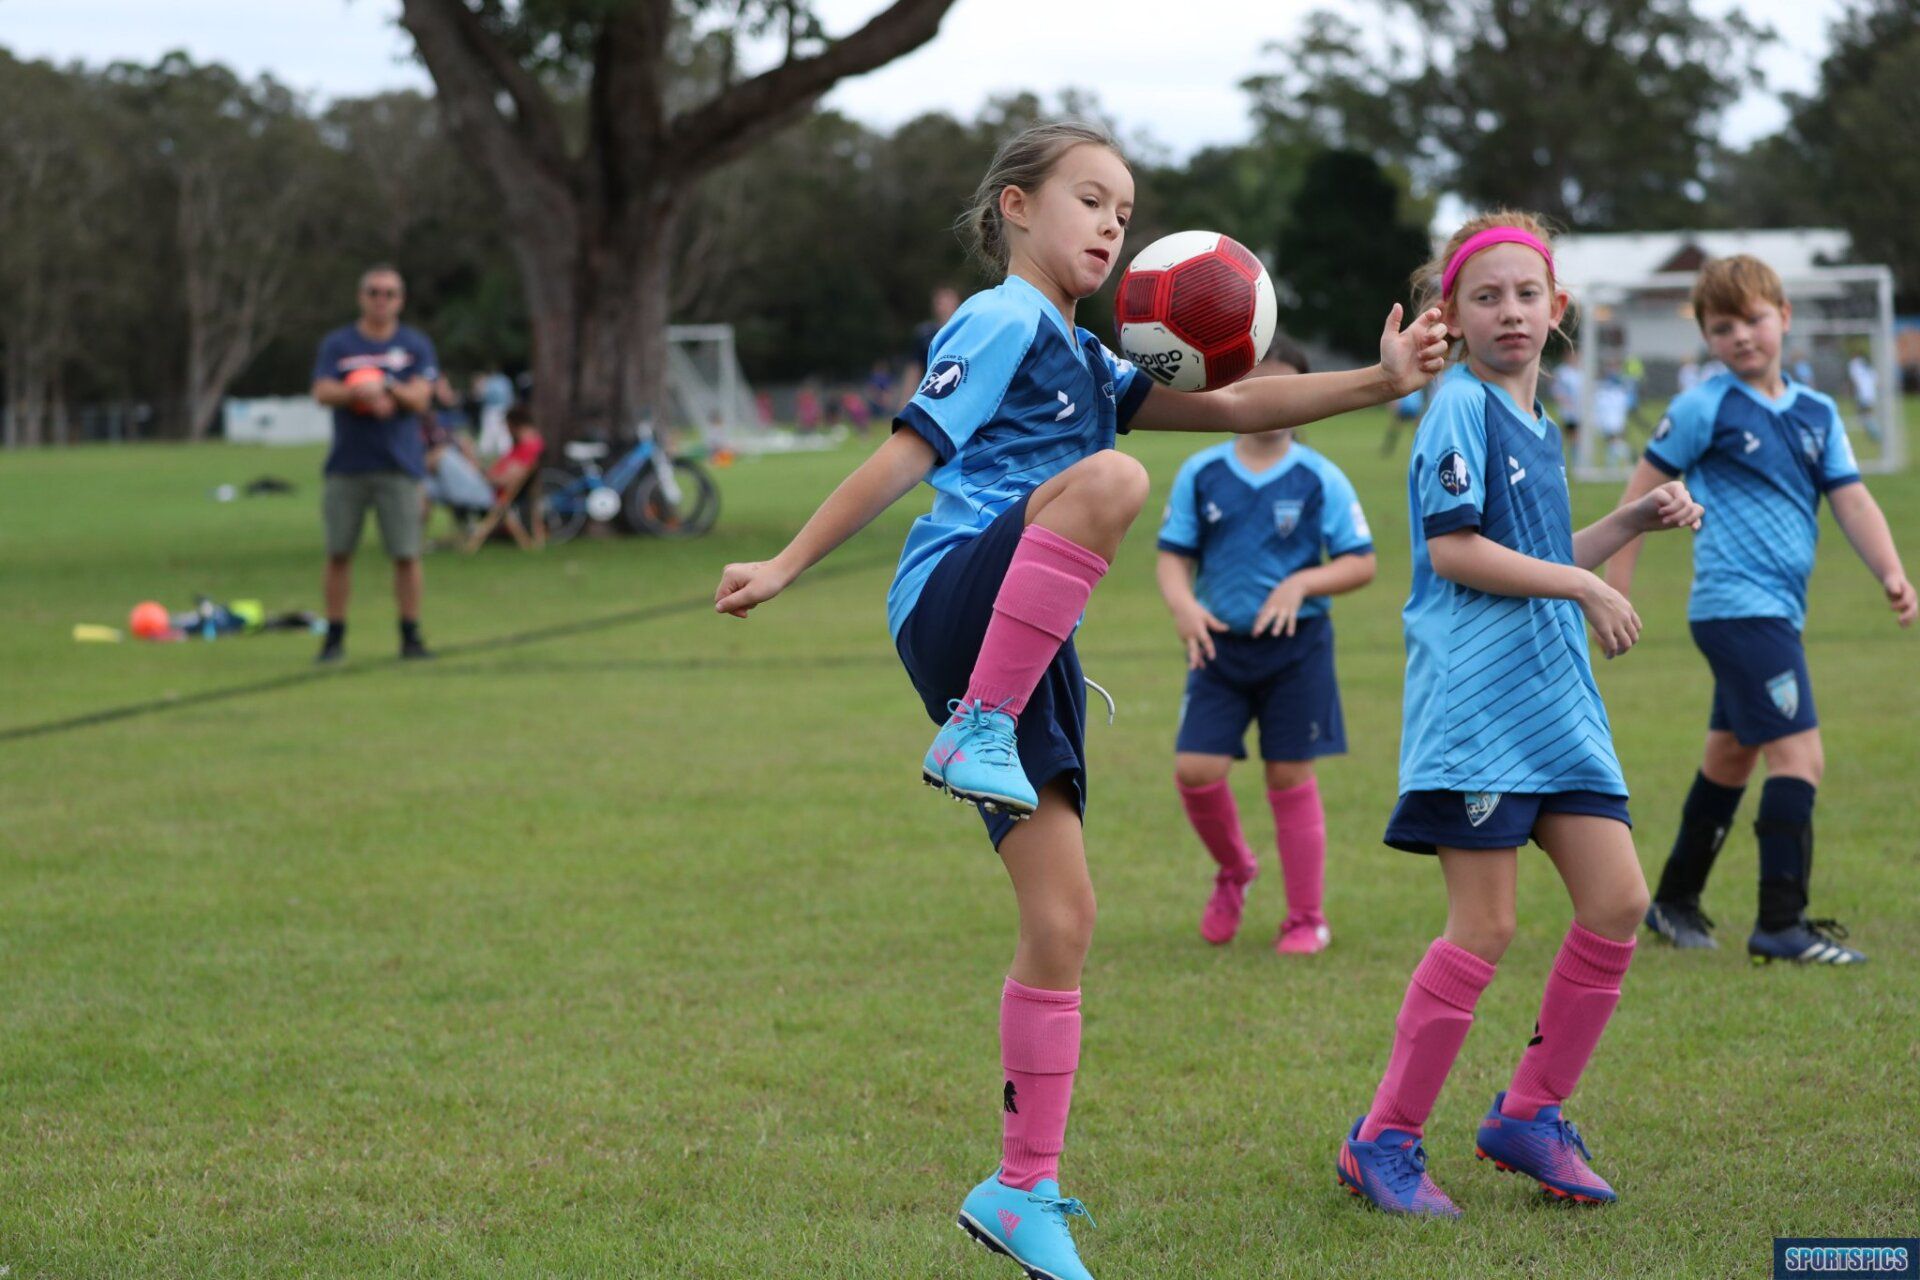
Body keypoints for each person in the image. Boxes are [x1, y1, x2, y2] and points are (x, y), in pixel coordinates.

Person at [713, 122, 1448, 1280]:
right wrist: (788, 563)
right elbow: (907, 453)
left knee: (1064, 921)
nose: (1114, 224)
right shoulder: (1003, 318)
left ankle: (1019, 1189)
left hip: (1025, 639)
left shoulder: (1089, 358)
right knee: (1116, 476)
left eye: (1125, 207)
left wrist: (1380, 380)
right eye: (1091, 199)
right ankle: (976, 728)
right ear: (1015, 206)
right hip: (959, 598)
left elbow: (1234, 407)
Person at [1336, 212, 1703, 1219]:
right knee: (1486, 924)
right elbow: (1455, 550)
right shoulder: (1456, 405)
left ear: (1559, 309)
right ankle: (1383, 1136)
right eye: (1486, 297)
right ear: (1450, 315)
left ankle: (1531, 1111)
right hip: (1478, 708)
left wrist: (1624, 523)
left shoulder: (1538, 423)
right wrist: (1584, 590)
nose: (1509, 313)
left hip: (1555, 706)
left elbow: (1533, 542)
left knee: (1619, 899)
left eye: (1526, 295)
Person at [1608, 254, 1915, 964]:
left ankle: (1674, 902)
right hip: (1736, 611)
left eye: (1753, 318)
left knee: (1731, 756)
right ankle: (1781, 923)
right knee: (1800, 756)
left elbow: (1854, 500)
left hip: (1778, 611)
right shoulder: (1702, 408)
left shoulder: (1818, 412)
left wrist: (1892, 571)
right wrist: (1613, 590)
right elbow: (1638, 499)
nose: (1742, 335)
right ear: (1707, 338)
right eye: (1723, 326)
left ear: (1784, 316)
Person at [1154, 337, 1376, 955]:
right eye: (1262, 391)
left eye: (1289, 393)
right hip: (1219, 649)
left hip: (1297, 649)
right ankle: (1235, 871)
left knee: (1287, 774)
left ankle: (1305, 917)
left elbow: (1360, 563)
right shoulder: (1203, 472)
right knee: (1195, 772)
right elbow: (1174, 555)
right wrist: (1184, 605)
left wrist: (1303, 581)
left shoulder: (1318, 478)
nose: (1275, 406)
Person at [309, 264, 439, 663]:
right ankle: (334, 637)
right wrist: (358, 394)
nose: (381, 300)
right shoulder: (339, 344)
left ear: (401, 300)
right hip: (347, 466)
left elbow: (422, 398)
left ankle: (410, 635)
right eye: (373, 292)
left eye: (390, 293)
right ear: (361, 296)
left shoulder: (414, 345)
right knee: (338, 553)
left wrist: (387, 389)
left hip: (398, 466)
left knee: (406, 553)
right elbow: (322, 389)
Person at [901, 284, 963, 412]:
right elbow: (914, 369)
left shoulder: (965, 331)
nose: (944, 305)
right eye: (940, 301)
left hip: (957, 395)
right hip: (929, 394)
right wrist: (905, 400)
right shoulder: (924, 333)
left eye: (948, 300)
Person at [474, 366, 515, 457]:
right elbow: (510, 396)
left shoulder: (489, 382)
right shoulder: (505, 380)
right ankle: (505, 449)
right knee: (503, 430)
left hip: (491, 410)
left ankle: (485, 450)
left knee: (489, 430)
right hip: (504, 408)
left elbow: (482, 396)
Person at [1847, 351, 1882, 443]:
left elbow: (1854, 380)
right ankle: (1873, 434)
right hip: (1871, 394)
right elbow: (1876, 381)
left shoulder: (1855, 365)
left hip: (1863, 394)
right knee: (1865, 414)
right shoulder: (1869, 367)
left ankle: (1876, 434)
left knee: (1865, 415)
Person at [1380, 385, 1424, 456]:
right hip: (1412, 408)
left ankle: (1388, 448)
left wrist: (1393, 407)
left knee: (1397, 428)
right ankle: (1422, 446)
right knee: (1418, 430)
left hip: (1407, 408)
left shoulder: (1410, 385)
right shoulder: (1416, 386)